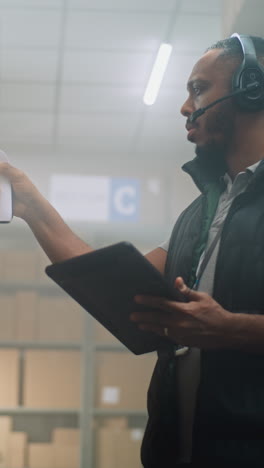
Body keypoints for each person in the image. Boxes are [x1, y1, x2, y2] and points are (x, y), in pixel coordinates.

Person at [1, 33, 264, 467]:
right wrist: (29, 204)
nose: (185, 107)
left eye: (199, 89)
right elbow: (113, 289)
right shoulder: (197, 215)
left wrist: (230, 328)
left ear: (252, 87)